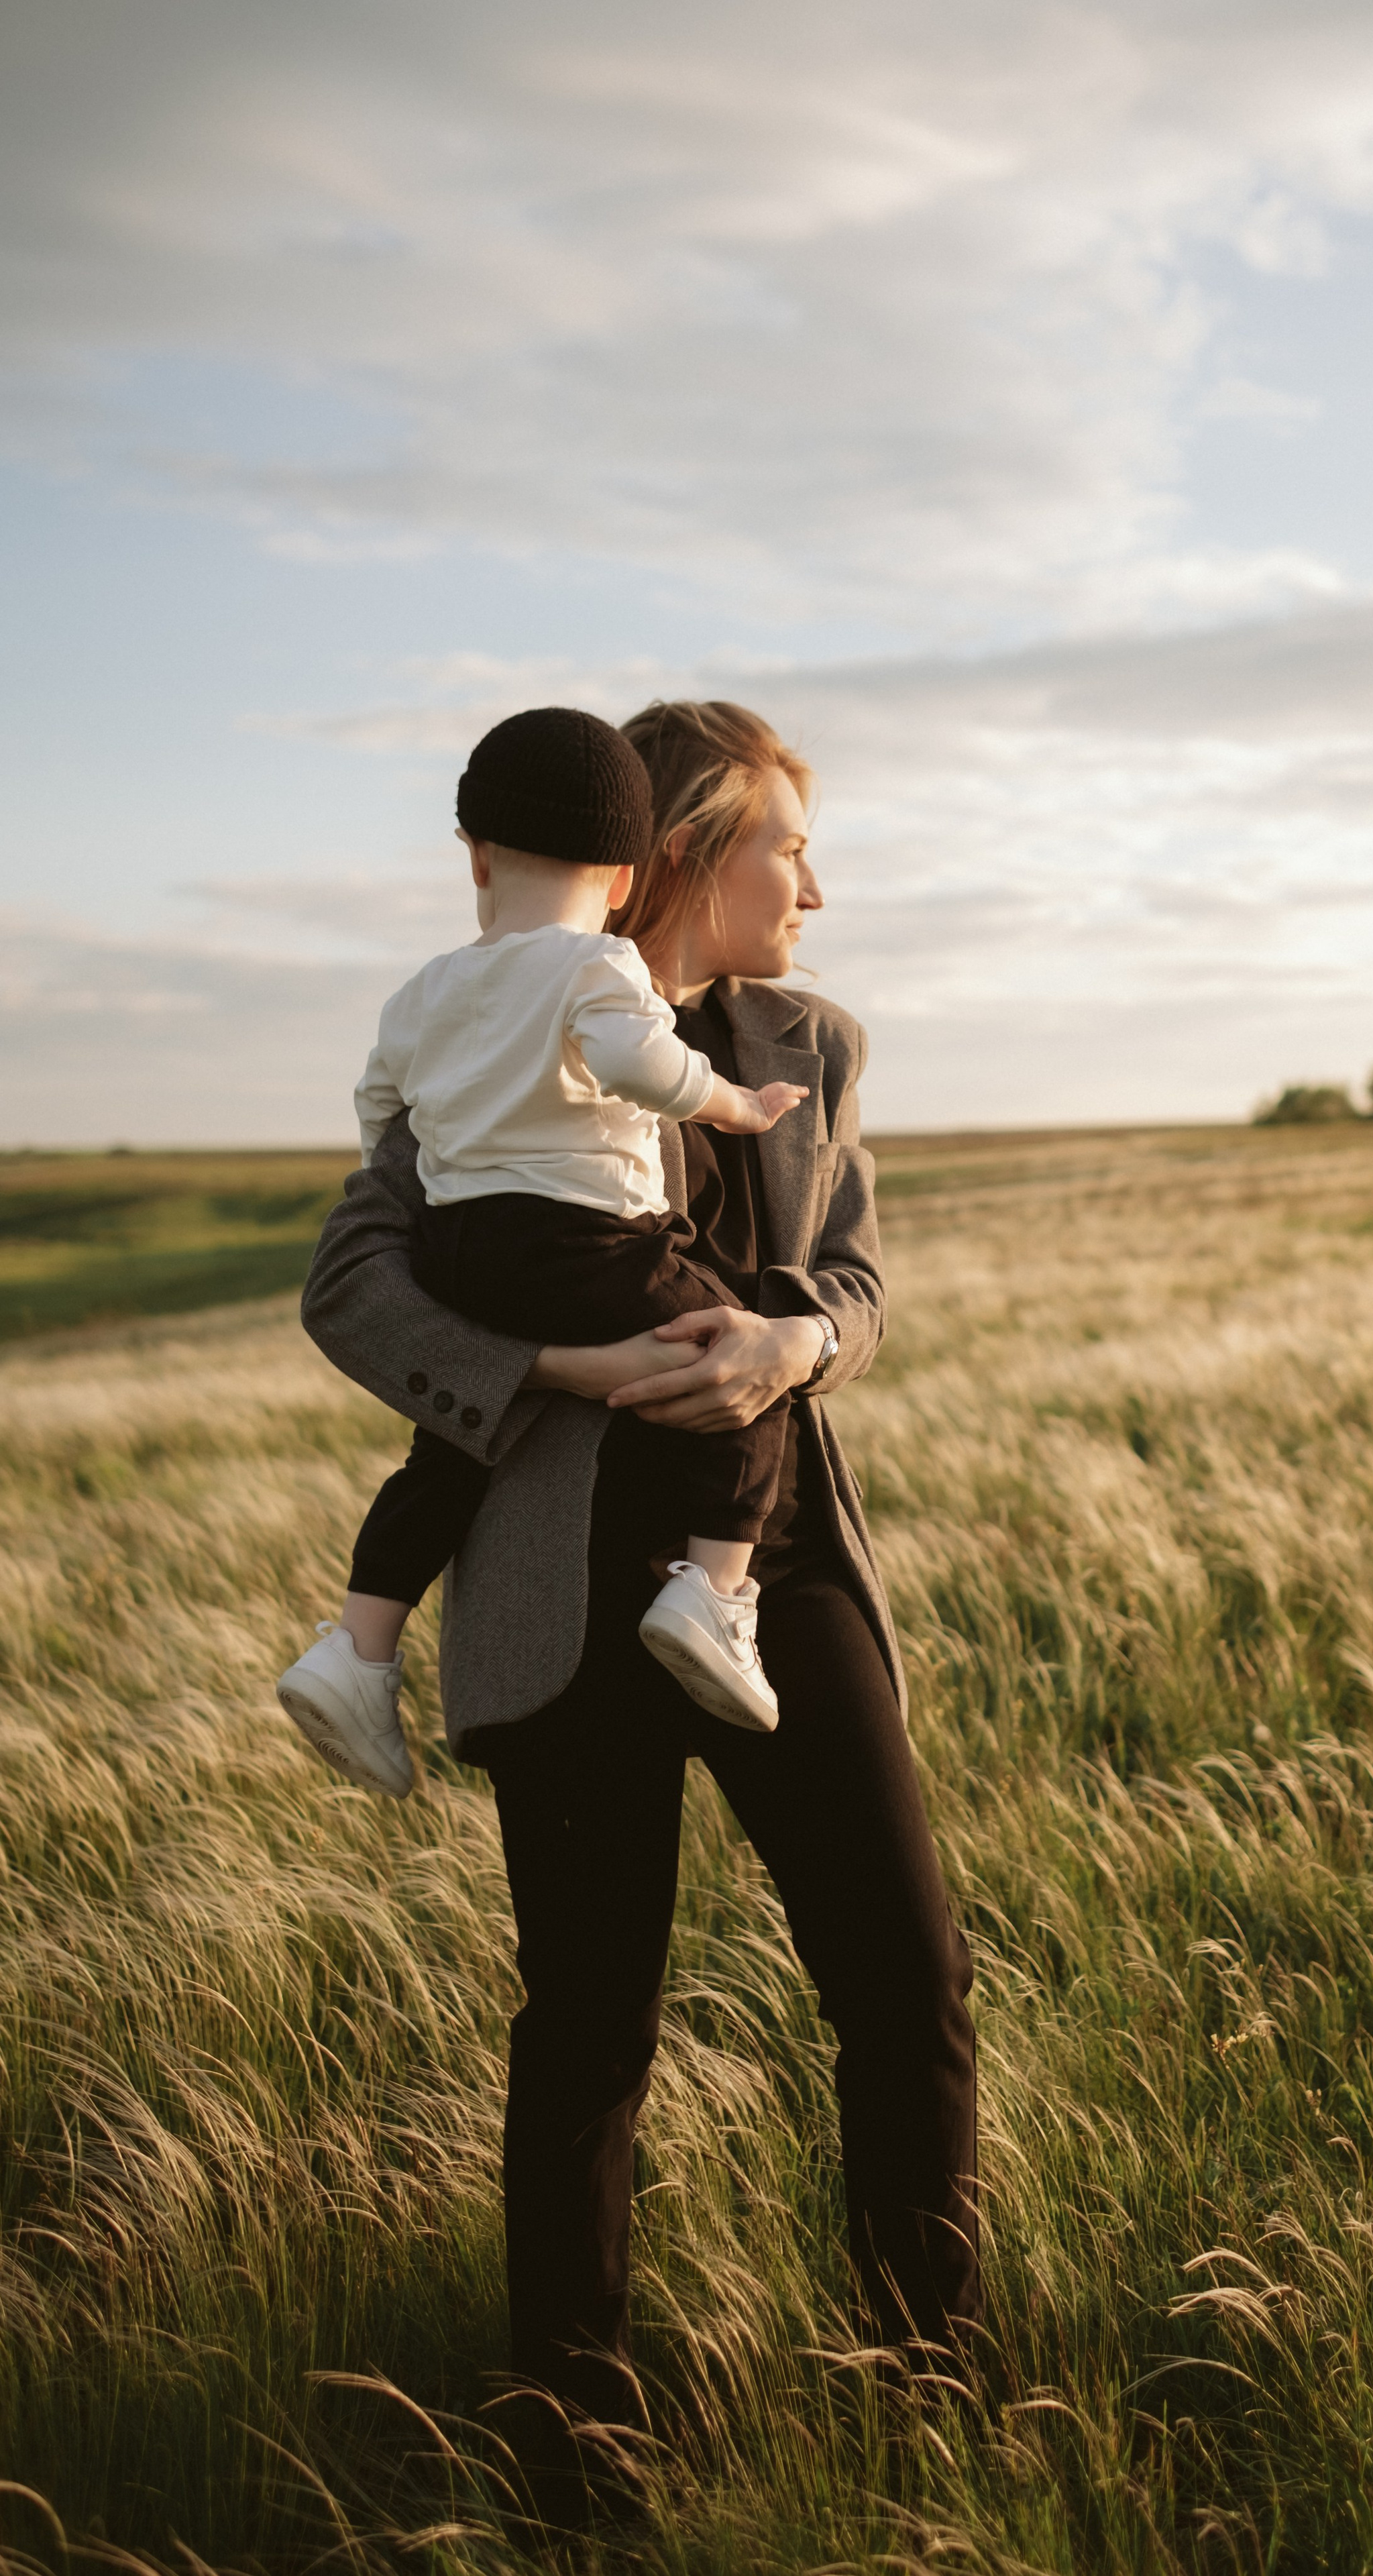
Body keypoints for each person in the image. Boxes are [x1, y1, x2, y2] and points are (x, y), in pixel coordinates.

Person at [298, 698, 979, 2479]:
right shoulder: (503, 1019)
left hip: (782, 1570)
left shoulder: (815, 1044)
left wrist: (787, 1348)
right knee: (592, 2023)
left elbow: (857, 1283)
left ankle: (945, 2387)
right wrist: (569, 1375)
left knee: (906, 1977)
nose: (812, 891)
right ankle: (565, 2445)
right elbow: (358, 1288)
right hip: (561, 1570)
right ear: (680, 846)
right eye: (785, 846)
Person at [276, 707, 810, 1780]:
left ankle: (358, 1650)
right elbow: (635, 1065)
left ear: (475, 858)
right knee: (739, 1354)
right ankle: (712, 1594)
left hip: (459, 1244)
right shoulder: (602, 969)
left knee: (448, 1451)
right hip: (584, 1238)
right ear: (624, 877)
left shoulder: (424, 990)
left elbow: (382, 1112)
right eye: (794, 851)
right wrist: (730, 1106)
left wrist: (444, 1185)